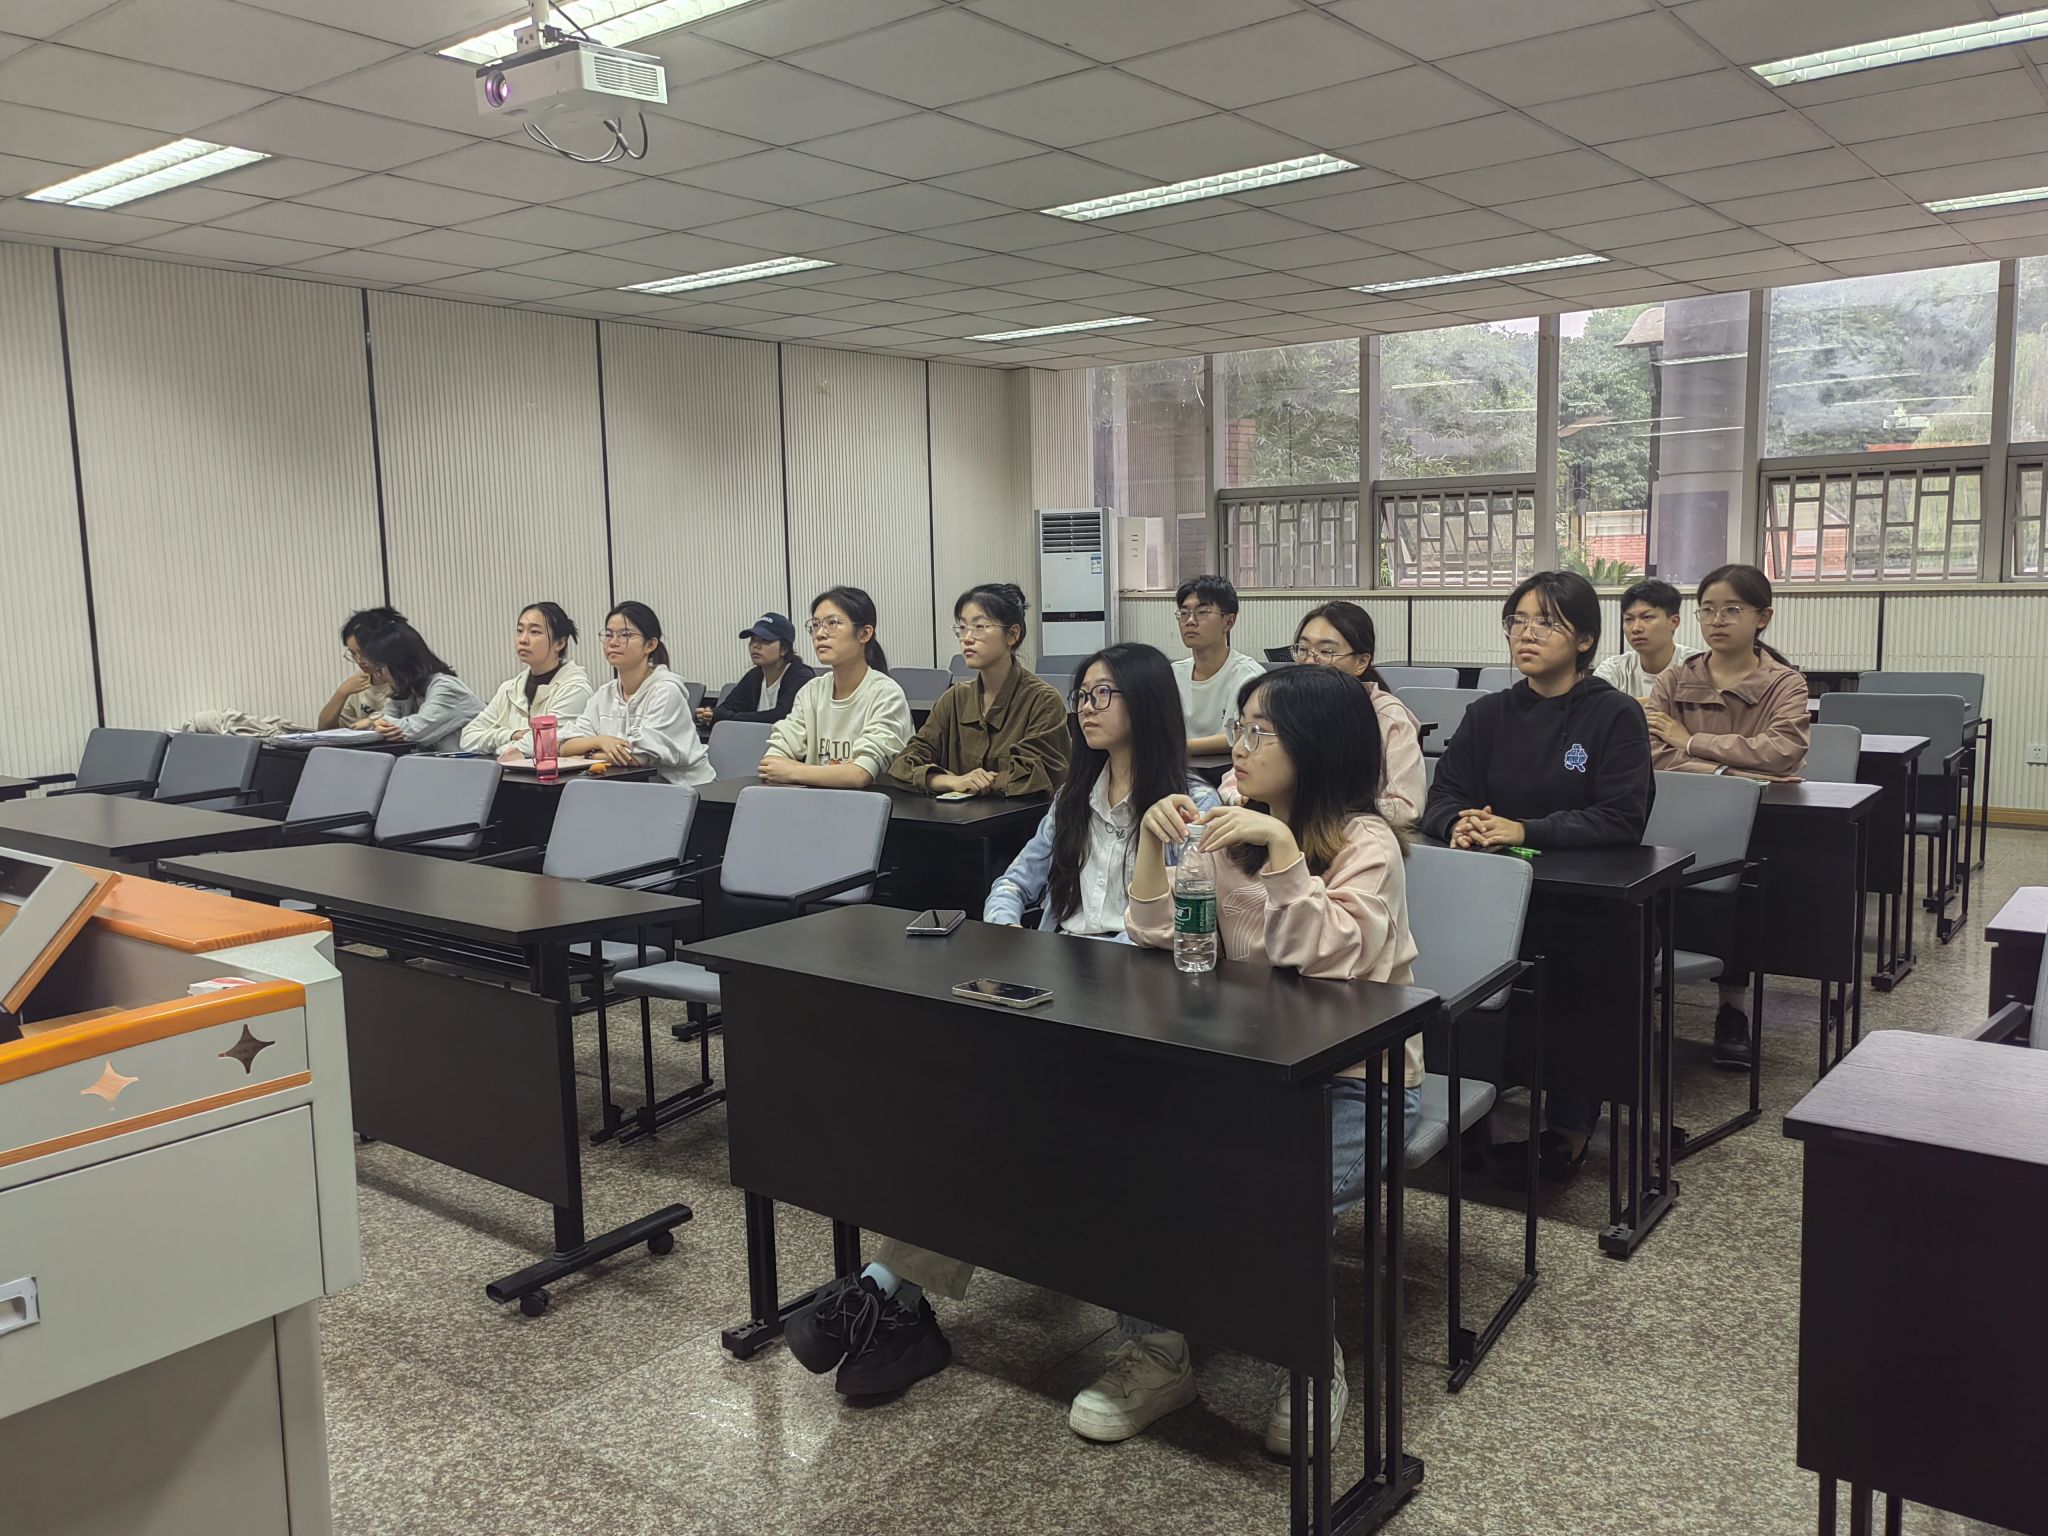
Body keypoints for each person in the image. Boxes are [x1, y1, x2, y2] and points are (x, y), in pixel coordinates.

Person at [777, 644, 1219, 1402]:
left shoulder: (1191, 805)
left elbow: (1186, 926)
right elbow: (1015, 879)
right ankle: (889, 1296)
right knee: (960, 1102)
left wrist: (1081, 956)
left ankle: (884, 1286)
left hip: (1139, 1003)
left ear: (1146, 704)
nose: (1085, 707)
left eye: (1103, 694)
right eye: (1082, 694)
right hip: (1056, 983)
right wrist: (1012, 927)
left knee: (1007, 1120)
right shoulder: (1075, 794)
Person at [1086, 663, 1422, 1454]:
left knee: (1273, 1192)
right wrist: (1153, 844)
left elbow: (1327, 960)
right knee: (1123, 1155)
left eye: (1259, 731)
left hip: (1355, 1085)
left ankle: (1309, 1361)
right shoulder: (1229, 825)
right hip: (1247, 1070)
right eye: (1239, 727)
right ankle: (1158, 1353)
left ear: (1317, 744)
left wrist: (1283, 854)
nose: (1238, 745)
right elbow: (1161, 935)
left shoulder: (1367, 844)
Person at [1419, 570, 1653, 1182]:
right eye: (1517, 621)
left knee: (1583, 974)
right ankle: (1466, 1110)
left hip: (1580, 900)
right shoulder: (1488, 713)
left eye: (1546, 623)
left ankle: (1570, 1126)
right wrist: (1459, 825)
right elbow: (1441, 797)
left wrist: (1523, 830)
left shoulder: (1614, 714)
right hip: (1490, 892)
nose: (1526, 634)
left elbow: (1622, 817)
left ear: (1585, 639)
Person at [1646, 564, 1810, 1071]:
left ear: (1763, 617)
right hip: (1672, 816)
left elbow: (1782, 752)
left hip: (1756, 821)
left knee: (1741, 894)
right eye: (1708, 610)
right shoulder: (1676, 677)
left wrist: (1691, 741)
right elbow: (1652, 754)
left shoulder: (1784, 683)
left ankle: (1732, 1010)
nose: (1717, 620)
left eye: (1732, 609)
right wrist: (1732, 772)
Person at [1220, 601, 1425, 824]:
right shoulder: (1286, 709)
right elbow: (1232, 782)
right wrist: (1244, 798)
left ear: (1361, 662)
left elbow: (1407, 808)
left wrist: (1318, 807)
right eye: (1303, 649)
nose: (1309, 661)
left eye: (1326, 652)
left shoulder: (1386, 716)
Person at [888, 582, 1069, 797]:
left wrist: (980, 782)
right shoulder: (955, 698)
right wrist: (951, 781)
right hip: (957, 817)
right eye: (962, 628)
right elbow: (904, 764)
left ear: (1012, 634)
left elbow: (1038, 777)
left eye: (979, 627)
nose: (967, 638)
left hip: (1020, 817)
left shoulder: (1042, 701)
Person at [760, 587, 913, 788]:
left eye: (832, 623)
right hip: (815, 802)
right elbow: (771, 763)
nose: (819, 634)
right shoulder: (811, 692)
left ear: (864, 634)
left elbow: (859, 775)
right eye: (815, 625)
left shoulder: (886, 695)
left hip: (868, 804)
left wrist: (793, 771)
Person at [559, 602, 712, 787]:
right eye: (608, 634)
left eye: (625, 635)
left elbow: (640, 756)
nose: (613, 642)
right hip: (630, 787)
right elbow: (565, 746)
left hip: (687, 789)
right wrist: (601, 741)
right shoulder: (604, 694)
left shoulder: (666, 691)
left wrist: (586, 755)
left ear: (650, 645)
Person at [460, 602, 593, 755]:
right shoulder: (509, 689)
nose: (523, 639)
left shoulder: (574, 689)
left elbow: (543, 744)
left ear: (560, 643)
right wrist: (511, 735)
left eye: (534, 632)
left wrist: (500, 749)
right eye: (519, 630)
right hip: (506, 769)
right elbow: (467, 738)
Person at [1171, 574, 1266, 755]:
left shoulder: (1249, 676)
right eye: (1184, 613)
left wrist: (1179, 748)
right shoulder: (1173, 674)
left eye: (1202, 612)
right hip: (1178, 766)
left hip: (1230, 766)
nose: (1190, 621)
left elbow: (1249, 733)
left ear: (1228, 622)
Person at [359, 621, 483, 750]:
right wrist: (376, 723)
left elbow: (416, 730)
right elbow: (384, 720)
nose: (379, 675)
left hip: (476, 760)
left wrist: (372, 722)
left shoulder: (446, 688)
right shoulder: (409, 691)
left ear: (400, 665)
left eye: (380, 669)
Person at [697, 612, 813, 730]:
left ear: (784, 649)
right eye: (753, 640)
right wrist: (709, 714)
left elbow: (781, 717)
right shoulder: (755, 676)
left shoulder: (801, 677)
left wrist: (726, 717)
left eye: (765, 640)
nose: (755, 646)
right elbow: (728, 707)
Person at [1594, 578, 1701, 702]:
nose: (1636, 628)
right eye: (1629, 619)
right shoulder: (1614, 670)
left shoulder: (1696, 666)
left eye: (1647, 617)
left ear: (1674, 622)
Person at [317, 606, 402, 730]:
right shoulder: (360, 684)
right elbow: (324, 729)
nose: (359, 660)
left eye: (363, 653)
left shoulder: (404, 681)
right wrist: (341, 693)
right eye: (353, 654)